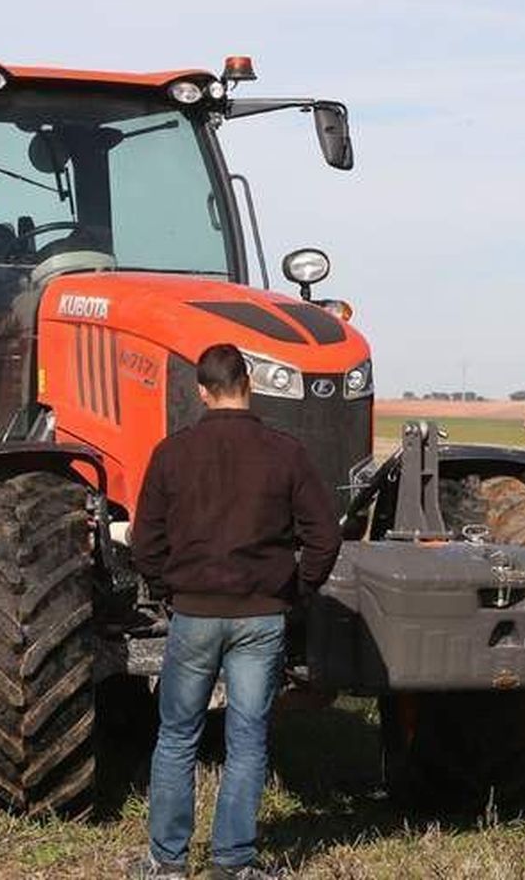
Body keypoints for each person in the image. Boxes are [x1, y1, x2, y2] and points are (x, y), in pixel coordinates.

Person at [131, 344, 342, 880]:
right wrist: (298, 590)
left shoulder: (171, 453)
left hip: (193, 614)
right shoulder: (285, 452)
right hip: (260, 616)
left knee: (178, 736)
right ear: (249, 382)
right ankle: (234, 863)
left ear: (201, 391)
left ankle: (167, 863)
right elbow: (325, 535)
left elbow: (145, 540)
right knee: (247, 737)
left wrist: (165, 589)